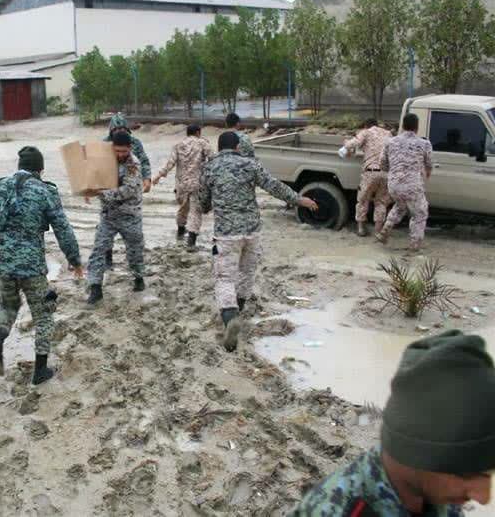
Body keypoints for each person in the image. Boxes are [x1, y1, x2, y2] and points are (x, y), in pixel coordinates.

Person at [291, 330, 495, 516]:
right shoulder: (338, 510)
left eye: (488, 472)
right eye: (467, 475)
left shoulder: (436, 487)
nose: (483, 497)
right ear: (415, 452)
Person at [0, 147, 83, 385]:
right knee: (44, 313)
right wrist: (74, 260)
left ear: (18, 166)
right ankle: (40, 371)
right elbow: (63, 229)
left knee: (8, 305)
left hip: (1, 264)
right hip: (31, 266)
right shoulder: (45, 191)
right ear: (40, 169)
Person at [200, 132, 317, 350]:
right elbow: (274, 186)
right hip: (252, 232)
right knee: (246, 272)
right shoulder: (251, 164)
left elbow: (203, 201)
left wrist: (209, 205)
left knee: (225, 278)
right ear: (237, 147)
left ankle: (230, 318)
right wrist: (299, 199)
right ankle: (240, 308)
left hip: (226, 234)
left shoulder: (210, 167)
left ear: (220, 147)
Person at [86, 131, 145, 304]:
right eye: (117, 151)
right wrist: (88, 188)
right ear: (112, 148)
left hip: (130, 215)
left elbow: (128, 191)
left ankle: (139, 278)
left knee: (135, 251)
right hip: (108, 217)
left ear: (129, 148)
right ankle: (95, 288)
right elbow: (94, 175)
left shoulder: (133, 164)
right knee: (98, 250)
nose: (120, 155)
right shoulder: (105, 160)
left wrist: (102, 194)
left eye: (123, 151)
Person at [376, 113, 433, 251]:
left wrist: (395, 170)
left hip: (394, 185)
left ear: (403, 126)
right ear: (417, 127)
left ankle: (385, 230)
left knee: (400, 206)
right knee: (419, 213)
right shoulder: (424, 143)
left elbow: (382, 163)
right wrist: (427, 173)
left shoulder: (390, 142)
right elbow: (429, 164)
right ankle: (415, 244)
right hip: (412, 184)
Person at [103, 113, 152, 270]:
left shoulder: (134, 143)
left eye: (122, 128)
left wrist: (147, 179)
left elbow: (143, 161)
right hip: (110, 191)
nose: (118, 131)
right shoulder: (104, 145)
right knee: (106, 230)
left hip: (130, 192)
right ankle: (108, 258)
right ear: (111, 130)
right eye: (116, 129)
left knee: (134, 232)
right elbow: (95, 166)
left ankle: (136, 266)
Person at [152, 124, 212, 249]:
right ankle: (191, 241)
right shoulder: (202, 143)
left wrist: (158, 176)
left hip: (181, 185)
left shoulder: (178, 145)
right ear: (198, 132)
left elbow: (170, 163)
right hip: (197, 184)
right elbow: (213, 159)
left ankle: (180, 232)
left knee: (183, 208)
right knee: (195, 211)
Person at [342, 118, 393, 236]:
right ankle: (378, 231)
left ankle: (361, 229)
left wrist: (346, 143)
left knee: (363, 199)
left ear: (366, 125)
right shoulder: (388, 133)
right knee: (381, 202)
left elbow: (353, 144)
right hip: (386, 173)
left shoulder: (367, 132)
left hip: (371, 172)